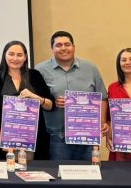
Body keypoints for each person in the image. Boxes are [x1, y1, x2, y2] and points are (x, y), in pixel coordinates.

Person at [35, 30, 108, 161]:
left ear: (73, 47)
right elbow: (36, 101)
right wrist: (53, 102)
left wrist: (102, 122)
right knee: (58, 173)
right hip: (56, 138)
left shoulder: (90, 68)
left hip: (88, 136)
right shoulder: (40, 70)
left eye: (67, 44)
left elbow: (102, 97)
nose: (63, 48)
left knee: (89, 172)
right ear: (52, 48)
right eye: (58, 45)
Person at [0, 41, 53, 160]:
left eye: (19, 55)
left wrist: (35, 97)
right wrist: (1, 139)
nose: (15, 58)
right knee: (9, 170)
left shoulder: (35, 75)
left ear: (25, 57)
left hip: (35, 138)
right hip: (8, 139)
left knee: (35, 169)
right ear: (4, 55)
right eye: (11, 54)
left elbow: (50, 105)